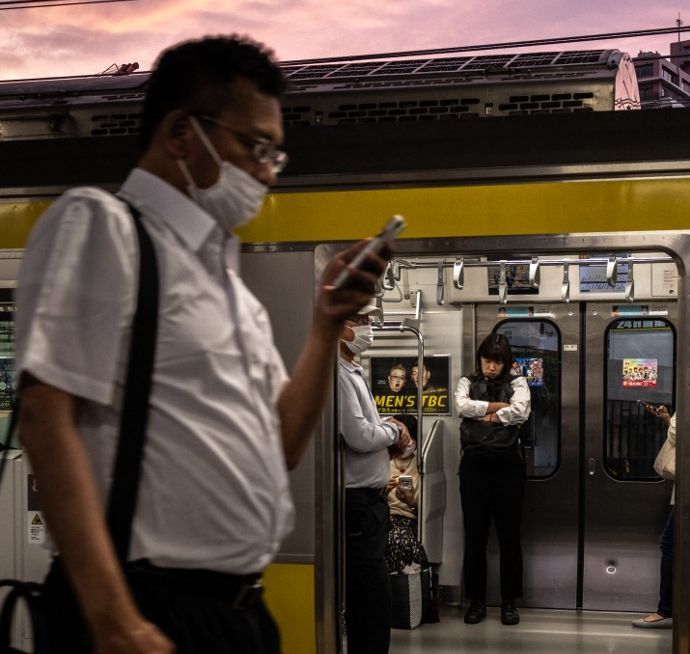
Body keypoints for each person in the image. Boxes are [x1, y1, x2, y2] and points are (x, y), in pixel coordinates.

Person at [14, 35, 389, 654]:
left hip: (236, 611)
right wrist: (112, 620)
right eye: (255, 145)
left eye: (276, 153)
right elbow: (44, 416)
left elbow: (282, 446)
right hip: (143, 608)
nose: (268, 171)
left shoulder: (229, 290)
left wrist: (324, 327)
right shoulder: (103, 226)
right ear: (182, 132)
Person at [336, 308, 413, 654]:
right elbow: (360, 436)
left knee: (373, 598)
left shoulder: (352, 370)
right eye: (359, 320)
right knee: (369, 599)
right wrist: (393, 429)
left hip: (371, 500)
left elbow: (369, 426)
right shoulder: (336, 374)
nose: (368, 328)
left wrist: (387, 424)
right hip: (357, 502)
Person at [454, 332, 531, 626]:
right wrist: (499, 410)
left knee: (509, 536)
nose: (491, 368)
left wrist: (482, 413)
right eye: (487, 361)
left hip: (507, 468)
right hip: (474, 467)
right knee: (475, 536)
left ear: (506, 363)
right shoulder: (466, 381)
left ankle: (509, 602)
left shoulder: (518, 383)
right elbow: (461, 407)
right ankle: (476, 601)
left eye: (497, 362)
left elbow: (521, 411)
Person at [632, 404, 676, 630]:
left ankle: (666, 610)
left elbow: (680, 434)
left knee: (669, 544)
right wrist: (668, 419)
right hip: (688, 490)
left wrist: (673, 422)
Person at [385, 414, 429, 574]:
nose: (407, 444)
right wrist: (384, 489)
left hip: (408, 521)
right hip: (384, 517)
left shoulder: (421, 467)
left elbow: (423, 514)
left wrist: (411, 501)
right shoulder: (383, 462)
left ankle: (404, 588)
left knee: (401, 541)